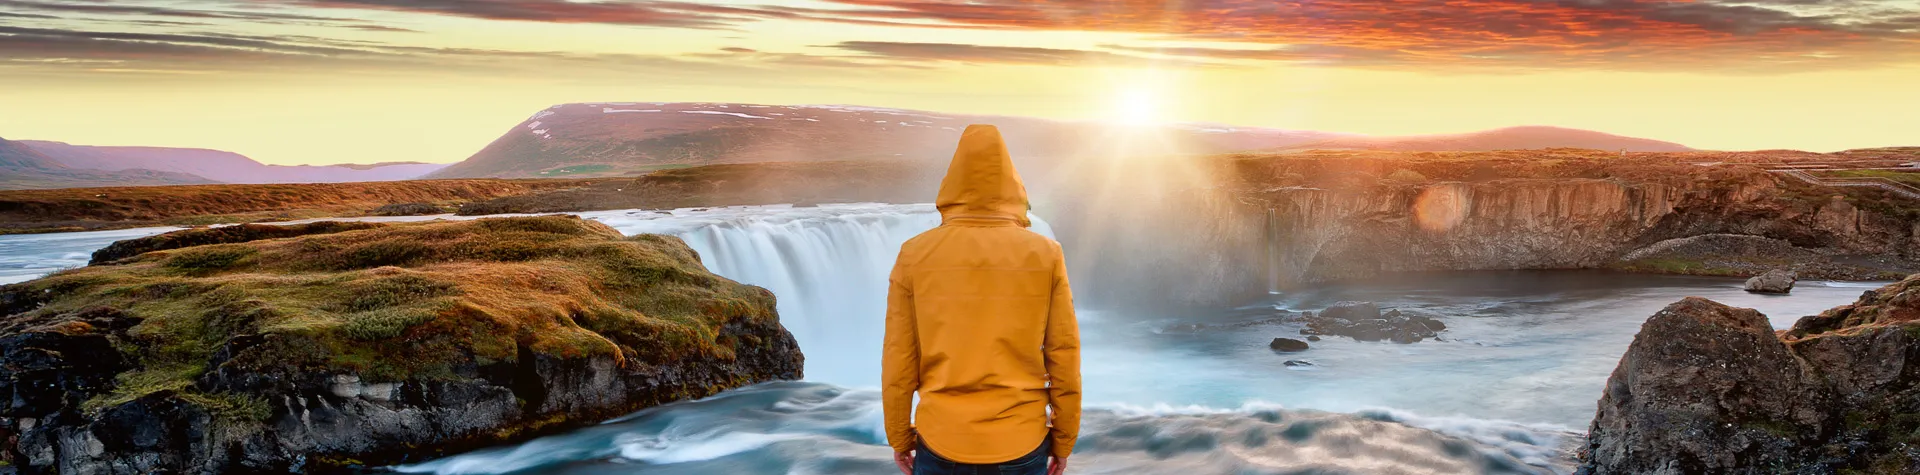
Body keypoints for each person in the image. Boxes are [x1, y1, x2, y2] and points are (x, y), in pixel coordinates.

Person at [882, 124, 1082, 475]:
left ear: (952, 183)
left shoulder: (914, 254)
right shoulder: (1046, 254)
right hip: (1021, 438)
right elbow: (1063, 354)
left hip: (942, 437)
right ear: (1012, 183)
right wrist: (1064, 439)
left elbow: (899, 358)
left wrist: (899, 437)